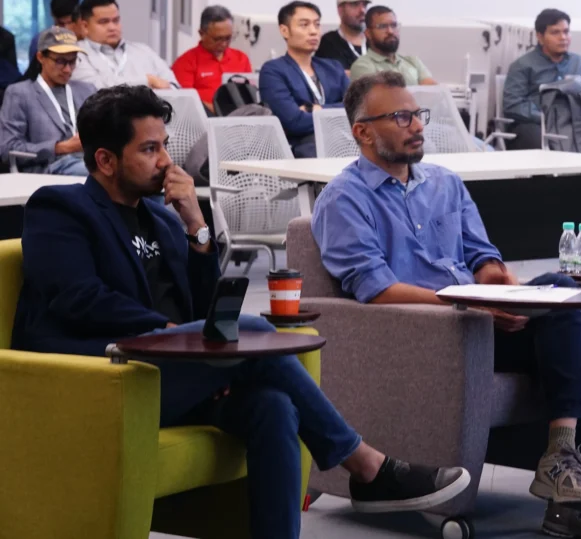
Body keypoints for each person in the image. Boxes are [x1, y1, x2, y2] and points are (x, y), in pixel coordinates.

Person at [10, 84, 470, 539]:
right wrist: (170, 333)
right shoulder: (61, 208)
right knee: (248, 328)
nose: (166, 161)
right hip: (104, 373)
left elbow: (205, 309)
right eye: (149, 149)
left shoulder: (164, 218)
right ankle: (366, 465)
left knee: (274, 406)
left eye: (165, 145)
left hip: (174, 368)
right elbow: (78, 297)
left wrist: (197, 227)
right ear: (106, 160)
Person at [310, 71, 581, 539]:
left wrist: (495, 281)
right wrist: (469, 306)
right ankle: (574, 488)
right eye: (401, 117)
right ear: (363, 132)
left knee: (559, 296)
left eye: (418, 115)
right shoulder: (344, 199)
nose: (417, 126)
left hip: (482, 321)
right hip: (425, 334)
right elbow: (376, 289)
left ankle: (566, 470)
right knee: (578, 331)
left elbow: (482, 255)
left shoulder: (445, 183)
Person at [259, 1, 349, 158]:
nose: (313, 31)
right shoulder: (273, 71)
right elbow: (294, 121)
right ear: (285, 30)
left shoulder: (333, 67)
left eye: (317, 24)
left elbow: (356, 109)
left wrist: (315, 109)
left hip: (344, 143)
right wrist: (337, 114)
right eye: (304, 25)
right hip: (302, 150)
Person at [0, 26, 94, 175]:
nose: (67, 69)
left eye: (73, 61)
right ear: (40, 57)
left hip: (89, 160)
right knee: (101, 174)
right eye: (60, 61)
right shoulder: (20, 93)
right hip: (49, 166)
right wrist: (61, 147)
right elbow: (8, 149)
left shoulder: (87, 90)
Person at [502, 8, 581, 150]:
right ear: (540, 37)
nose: (563, 37)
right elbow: (513, 105)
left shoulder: (579, 63)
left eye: (566, 31)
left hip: (572, 125)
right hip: (536, 124)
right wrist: (546, 118)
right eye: (555, 32)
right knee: (533, 135)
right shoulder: (522, 65)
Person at [73, 0, 179, 90]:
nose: (112, 27)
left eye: (116, 20)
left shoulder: (144, 51)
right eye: (103, 22)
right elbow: (92, 88)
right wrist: (147, 81)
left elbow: (174, 86)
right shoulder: (77, 54)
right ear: (85, 26)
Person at [172, 5, 252, 113]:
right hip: (204, 118)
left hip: (241, 117)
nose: (224, 43)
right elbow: (185, 101)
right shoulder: (185, 62)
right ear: (201, 34)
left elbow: (250, 94)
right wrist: (219, 111)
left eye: (228, 38)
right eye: (217, 39)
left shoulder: (241, 58)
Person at [349, 5, 437, 87]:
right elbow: (379, 97)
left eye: (394, 25)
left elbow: (431, 92)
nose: (390, 31)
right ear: (368, 33)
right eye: (382, 26)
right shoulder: (362, 66)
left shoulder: (413, 62)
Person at [315, 0, 371, 74]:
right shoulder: (328, 42)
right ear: (340, 10)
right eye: (355, 5)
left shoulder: (375, 41)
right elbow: (330, 76)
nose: (362, 11)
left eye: (364, 5)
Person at [26, 0, 79, 72]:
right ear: (53, 16)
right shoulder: (41, 40)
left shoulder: (84, 39)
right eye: (61, 24)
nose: (66, 28)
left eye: (70, 22)